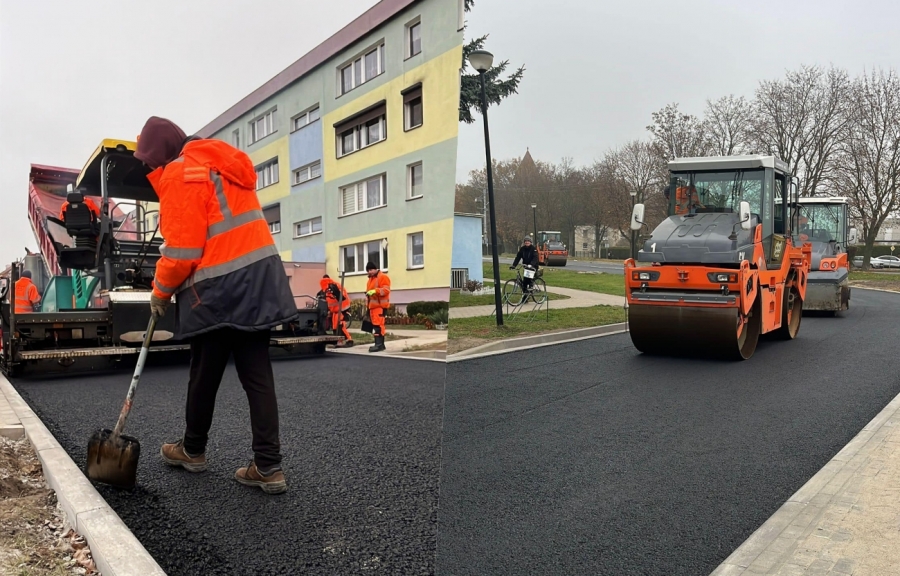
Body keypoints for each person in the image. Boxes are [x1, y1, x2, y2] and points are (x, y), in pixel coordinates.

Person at [135, 116, 298, 495]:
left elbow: (182, 251)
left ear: (160, 152)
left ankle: (192, 450)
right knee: (257, 374)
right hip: (259, 279)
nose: (150, 168)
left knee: (204, 371)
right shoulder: (222, 165)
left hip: (218, 287)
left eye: (149, 160)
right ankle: (269, 466)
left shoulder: (180, 173)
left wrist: (160, 291)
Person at [319, 275, 353, 347]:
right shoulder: (326, 289)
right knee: (335, 327)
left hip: (342, 309)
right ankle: (338, 341)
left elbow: (342, 297)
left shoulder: (335, 287)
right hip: (335, 310)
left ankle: (349, 340)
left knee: (340, 326)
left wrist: (334, 291)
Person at [365, 262, 391, 353]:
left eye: (371, 270)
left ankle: (379, 345)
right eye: (368, 270)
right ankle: (379, 344)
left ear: (376, 269)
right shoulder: (370, 280)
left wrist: (375, 291)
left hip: (380, 306)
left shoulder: (383, 277)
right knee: (376, 326)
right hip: (373, 307)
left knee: (379, 326)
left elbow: (386, 290)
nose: (370, 272)